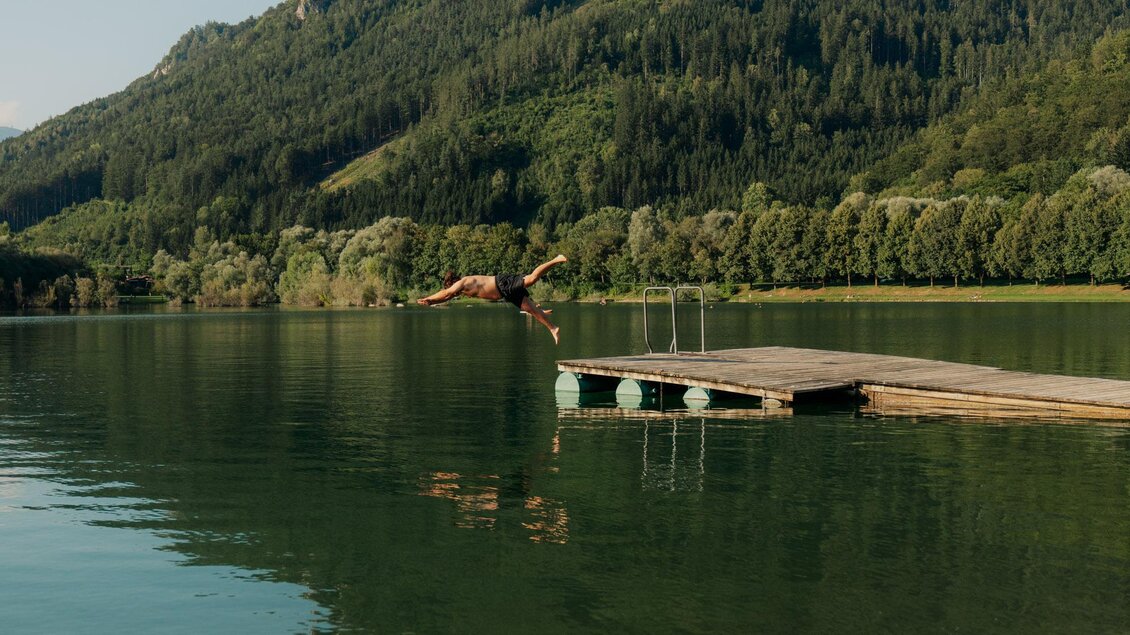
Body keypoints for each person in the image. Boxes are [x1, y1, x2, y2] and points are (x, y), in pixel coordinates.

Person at [416, 254, 568, 344]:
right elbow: (447, 296)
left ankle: (556, 259)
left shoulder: (463, 282)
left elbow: (446, 293)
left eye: (453, 291)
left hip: (502, 284)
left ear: (454, 283)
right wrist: (431, 302)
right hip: (505, 293)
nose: (455, 294)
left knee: (532, 279)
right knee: (531, 310)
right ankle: (553, 328)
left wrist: (429, 298)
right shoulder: (461, 290)